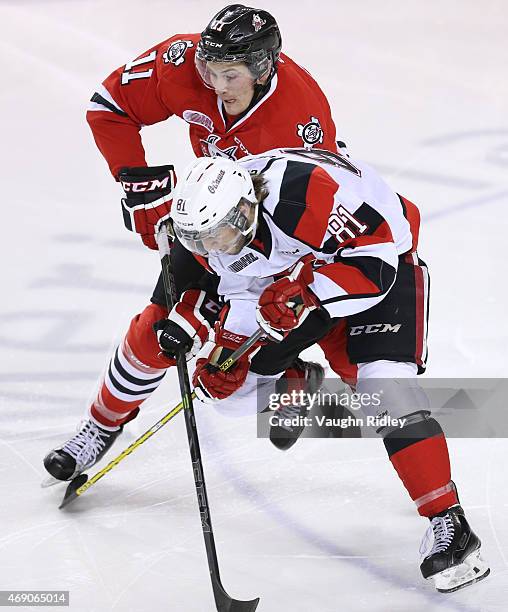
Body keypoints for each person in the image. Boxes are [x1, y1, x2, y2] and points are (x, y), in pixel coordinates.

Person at [43, 4, 347, 482]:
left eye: (231, 75)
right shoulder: (181, 63)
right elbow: (109, 107)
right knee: (155, 329)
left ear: (263, 68)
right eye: (211, 71)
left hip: (271, 236)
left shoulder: (300, 122)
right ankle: (100, 426)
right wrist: (140, 185)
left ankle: (286, 376)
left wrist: (239, 300)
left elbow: (312, 216)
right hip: (211, 213)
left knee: (229, 369)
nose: (217, 87)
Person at [163, 148, 489, 593]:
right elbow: (243, 291)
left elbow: (376, 266)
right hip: (297, 283)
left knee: (385, 394)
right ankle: (294, 379)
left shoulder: (298, 194)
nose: (210, 248)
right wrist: (228, 355)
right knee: (229, 393)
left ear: (243, 210)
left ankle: (449, 523)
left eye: (216, 234)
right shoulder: (215, 233)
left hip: (380, 264)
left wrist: (307, 294)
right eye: (198, 240)